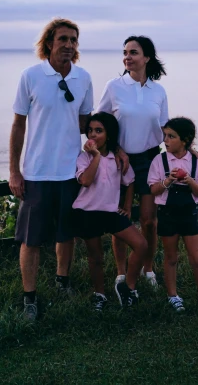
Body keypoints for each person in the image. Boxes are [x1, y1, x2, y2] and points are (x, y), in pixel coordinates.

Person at [9, 18, 93, 322]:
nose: (69, 45)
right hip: (36, 174)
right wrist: (14, 171)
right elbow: (18, 125)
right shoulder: (31, 76)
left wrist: (112, 148)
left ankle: (62, 282)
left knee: (65, 234)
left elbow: (86, 125)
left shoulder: (83, 78)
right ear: (49, 43)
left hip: (71, 173)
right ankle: (29, 298)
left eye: (74, 40)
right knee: (30, 240)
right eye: (63, 39)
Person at [97, 36, 168, 289]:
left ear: (147, 57)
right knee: (121, 219)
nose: (127, 57)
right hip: (119, 162)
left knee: (149, 220)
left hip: (150, 160)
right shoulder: (114, 86)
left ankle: (149, 269)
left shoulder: (158, 91)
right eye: (125, 52)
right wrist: (115, 149)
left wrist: (188, 150)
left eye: (133, 52)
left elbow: (165, 128)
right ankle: (121, 271)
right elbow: (100, 124)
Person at [72, 112, 148, 311]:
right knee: (96, 258)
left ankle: (128, 287)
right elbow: (86, 181)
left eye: (99, 131)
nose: (93, 135)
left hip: (111, 213)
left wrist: (128, 206)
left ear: (109, 134)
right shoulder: (83, 158)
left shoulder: (118, 158)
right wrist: (96, 155)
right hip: (87, 213)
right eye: (90, 131)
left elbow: (129, 181)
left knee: (141, 245)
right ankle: (100, 295)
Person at [148, 117, 198, 313]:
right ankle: (173, 295)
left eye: (171, 136)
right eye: (165, 136)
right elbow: (153, 190)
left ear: (185, 140)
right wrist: (168, 180)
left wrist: (187, 179)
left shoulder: (195, 161)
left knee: (196, 257)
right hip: (167, 213)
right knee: (171, 257)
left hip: (188, 214)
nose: (166, 140)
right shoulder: (160, 160)